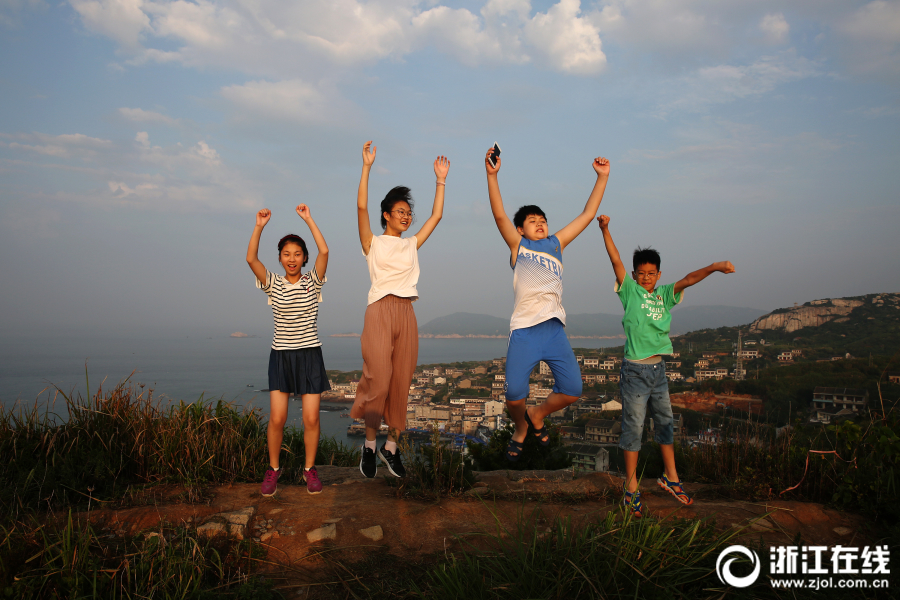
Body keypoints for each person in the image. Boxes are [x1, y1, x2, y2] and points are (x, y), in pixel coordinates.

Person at [597, 214, 735, 517]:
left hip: (658, 371)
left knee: (666, 424)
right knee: (633, 429)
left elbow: (689, 279)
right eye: (641, 273)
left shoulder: (664, 294)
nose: (646, 278)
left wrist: (714, 267)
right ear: (634, 275)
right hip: (635, 371)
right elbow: (615, 259)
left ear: (659, 274)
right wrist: (606, 229)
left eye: (651, 273)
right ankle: (630, 488)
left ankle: (671, 478)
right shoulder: (629, 291)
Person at [484, 146, 610, 462]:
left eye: (542, 219)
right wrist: (491, 175)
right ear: (520, 229)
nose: (539, 223)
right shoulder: (518, 246)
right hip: (525, 331)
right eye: (531, 220)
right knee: (514, 397)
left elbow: (586, 215)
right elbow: (499, 214)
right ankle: (520, 427)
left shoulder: (557, 243)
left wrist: (602, 178)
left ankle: (538, 416)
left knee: (572, 389)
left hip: (554, 330)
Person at [352, 141, 450, 478]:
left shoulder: (411, 244)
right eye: (400, 212)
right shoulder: (373, 243)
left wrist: (440, 180)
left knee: (402, 383)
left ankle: (391, 447)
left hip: (407, 311)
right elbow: (361, 207)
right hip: (379, 310)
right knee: (378, 380)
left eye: (409, 213)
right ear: (387, 214)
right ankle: (368, 445)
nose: (407, 217)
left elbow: (436, 216)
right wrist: (366, 167)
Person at [246, 204, 330, 497]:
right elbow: (250, 258)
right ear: (280, 259)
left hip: (309, 355)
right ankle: (273, 469)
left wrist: (308, 218)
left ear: (304, 258)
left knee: (311, 419)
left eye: (297, 254)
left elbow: (325, 251)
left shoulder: (313, 283)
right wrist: (259, 226)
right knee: (278, 418)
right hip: (281, 356)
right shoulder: (273, 284)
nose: (292, 259)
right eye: (286, 254)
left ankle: (309, 470)